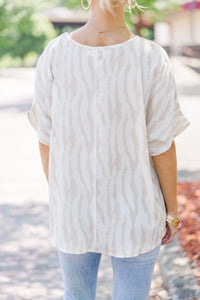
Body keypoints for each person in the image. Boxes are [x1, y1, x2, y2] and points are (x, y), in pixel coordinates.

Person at [27, 0, 190, 299]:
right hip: (137, 207)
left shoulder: (55, 53)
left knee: (76, 294)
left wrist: (62, 197)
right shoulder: (151, 57)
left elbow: (45, 137)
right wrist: (171, 212)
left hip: (73, 207)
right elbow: (161, 145)